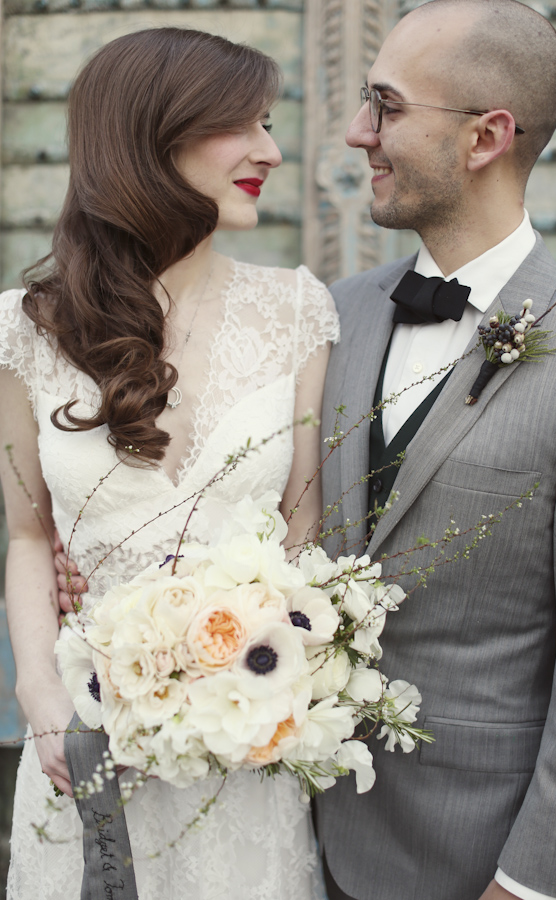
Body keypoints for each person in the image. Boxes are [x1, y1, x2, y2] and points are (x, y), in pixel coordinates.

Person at [0, 27, 338, 900]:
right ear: (149, 137)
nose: (269, 150)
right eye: (242, 125)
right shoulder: (22, 331)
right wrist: (41, 698)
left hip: (248, 744)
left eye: (270, 124)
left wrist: (280, 689)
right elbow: (30, 534)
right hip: (87, 736)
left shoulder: (300, 311)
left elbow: (305, 541)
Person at [317, 2, 556, 900]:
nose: (358, 133)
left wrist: (529, 885)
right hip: (292, 843)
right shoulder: (327, 315)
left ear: (486, 138)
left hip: (477, 861)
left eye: (387, 107)